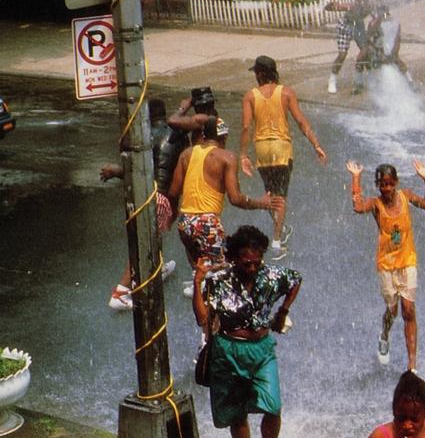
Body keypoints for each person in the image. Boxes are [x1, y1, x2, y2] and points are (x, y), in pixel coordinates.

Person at [192, 225, 301, 438]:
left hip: (262, 350)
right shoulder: (218, 282)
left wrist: (283, 311)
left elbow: (296, 280)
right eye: (246, 264)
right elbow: (202, 318)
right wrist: (198, 282)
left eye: (256, 263)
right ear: (234, 259)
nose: (252, 268)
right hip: (228, 352)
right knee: (237, 414)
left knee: (273, 406)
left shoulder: (271, 275)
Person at [169, 117, 283, 297]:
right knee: (234, 270)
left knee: (203, 270)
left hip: (185, 223)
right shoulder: (227, 157)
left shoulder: (186, 154)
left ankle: (203, 300)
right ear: (225, 137)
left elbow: (174, 192)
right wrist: (262, 203)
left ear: (204, 135)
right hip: (207, 224)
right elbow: (236, 199)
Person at [346, 160, 425, 369]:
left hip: (407, 260)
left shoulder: (405, 196)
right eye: (382, 185)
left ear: (395, 182)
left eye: (389, 184)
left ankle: (412, 365)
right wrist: (356, 177)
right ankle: (384, 334)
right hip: (386, 264)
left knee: (408, 310)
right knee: (392, 310)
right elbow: (358, 207)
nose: (386, 189)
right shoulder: (376, 204)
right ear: (378, 185)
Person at [240, 55, 328, 260]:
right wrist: (316, 144)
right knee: (280, 196)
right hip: (282, 149)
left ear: (261, 73)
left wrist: (243, 154)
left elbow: (245, 127)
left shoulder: (250, 96)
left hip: (262, 148)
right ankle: (277, 242)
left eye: (255, 72)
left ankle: (281, 228)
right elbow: (300, 121)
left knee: (270, 193)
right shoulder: (287, 92)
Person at [101, 98, 184, 310]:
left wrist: (115, 171)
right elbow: (177, 172)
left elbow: (136, 170)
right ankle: (120, 292)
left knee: (149, 237)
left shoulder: (143, 137)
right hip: (161, 196)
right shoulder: (178, 136)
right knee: (144, 242)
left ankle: (158, 266)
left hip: (142, 195)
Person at [369, 370, 425, 438]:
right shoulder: (380, 435)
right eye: (401, 418)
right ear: (394, 411)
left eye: (414, 419)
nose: (407, 425)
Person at [325, 0, 373, 94]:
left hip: (358, 26)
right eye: (356, 0)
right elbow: (334, 7)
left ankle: (361, 80)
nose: (358, 2)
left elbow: (376, 16)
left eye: (360, 1)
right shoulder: (350, 6)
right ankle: (332, 79)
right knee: (342, 55)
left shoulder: (368, 8)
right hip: (345, 27)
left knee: (365, 51)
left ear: (365, 1)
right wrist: (332, 6)